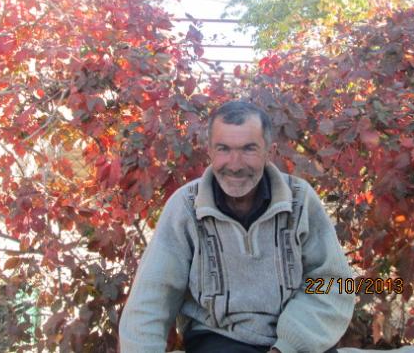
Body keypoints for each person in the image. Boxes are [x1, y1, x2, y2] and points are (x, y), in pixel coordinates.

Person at [119, 100, 355, 353]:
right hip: (219, 338)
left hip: (296, 340)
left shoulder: (300, 200)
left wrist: (287, 346)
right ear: (209, 151)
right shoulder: (185, 207)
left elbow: (334, 283)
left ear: (270, 152)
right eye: (223, 149)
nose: (235, 164)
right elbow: (151, 297)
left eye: (249, 149)